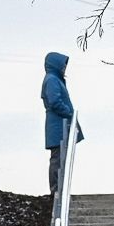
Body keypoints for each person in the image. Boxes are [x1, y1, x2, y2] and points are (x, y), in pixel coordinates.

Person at [41, 52, 77, 193]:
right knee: (57, 159)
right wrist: (68, 112)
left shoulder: (54, 79)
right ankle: (56, 190)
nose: (64, 68)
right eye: (63, 65)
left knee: (60, 158)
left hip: (59, 125)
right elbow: (55, 101)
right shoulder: (52, 80)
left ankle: (59, 189)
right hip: (57, 125)